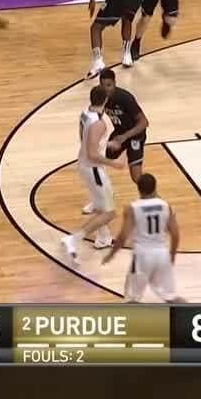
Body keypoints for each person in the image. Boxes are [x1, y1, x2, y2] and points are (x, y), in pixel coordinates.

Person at [61, 85, 127, 264]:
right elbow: (92, 153)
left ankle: (103, 238)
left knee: (102, 201)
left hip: (84, 164)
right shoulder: (99, 123)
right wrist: (114, 163)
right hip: (94, 168)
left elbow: (85, 139)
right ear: (106, 100)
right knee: (110, 212)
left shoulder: (85, 113)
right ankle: (73, 239)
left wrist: (106, 144)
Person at [103, 172, 183, 303]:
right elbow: (175, 234)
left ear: (138, 188)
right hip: (162, 254)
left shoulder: (132, 208)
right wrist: (172, 255)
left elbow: (123, 236)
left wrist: (111, 254)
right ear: (155, 187)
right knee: (171, 297)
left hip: (142, 255)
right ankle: (191, 313)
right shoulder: (166, 206)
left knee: (132, 299)